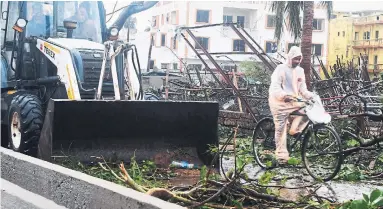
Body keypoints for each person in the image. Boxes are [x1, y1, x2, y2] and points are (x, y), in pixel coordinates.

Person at [268, 46, 314, 164]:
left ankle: (294, 129)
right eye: (295, 59)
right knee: (280, 129)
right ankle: (281, 156)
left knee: (309, 111)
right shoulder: (280, 69)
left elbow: (303, 89)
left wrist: (311, 96)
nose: (297, 61)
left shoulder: (300, 71)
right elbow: (275, 87)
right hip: (279, 103)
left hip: (294, 101)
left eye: (299, 59)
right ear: (290, 58)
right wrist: (284, 95)